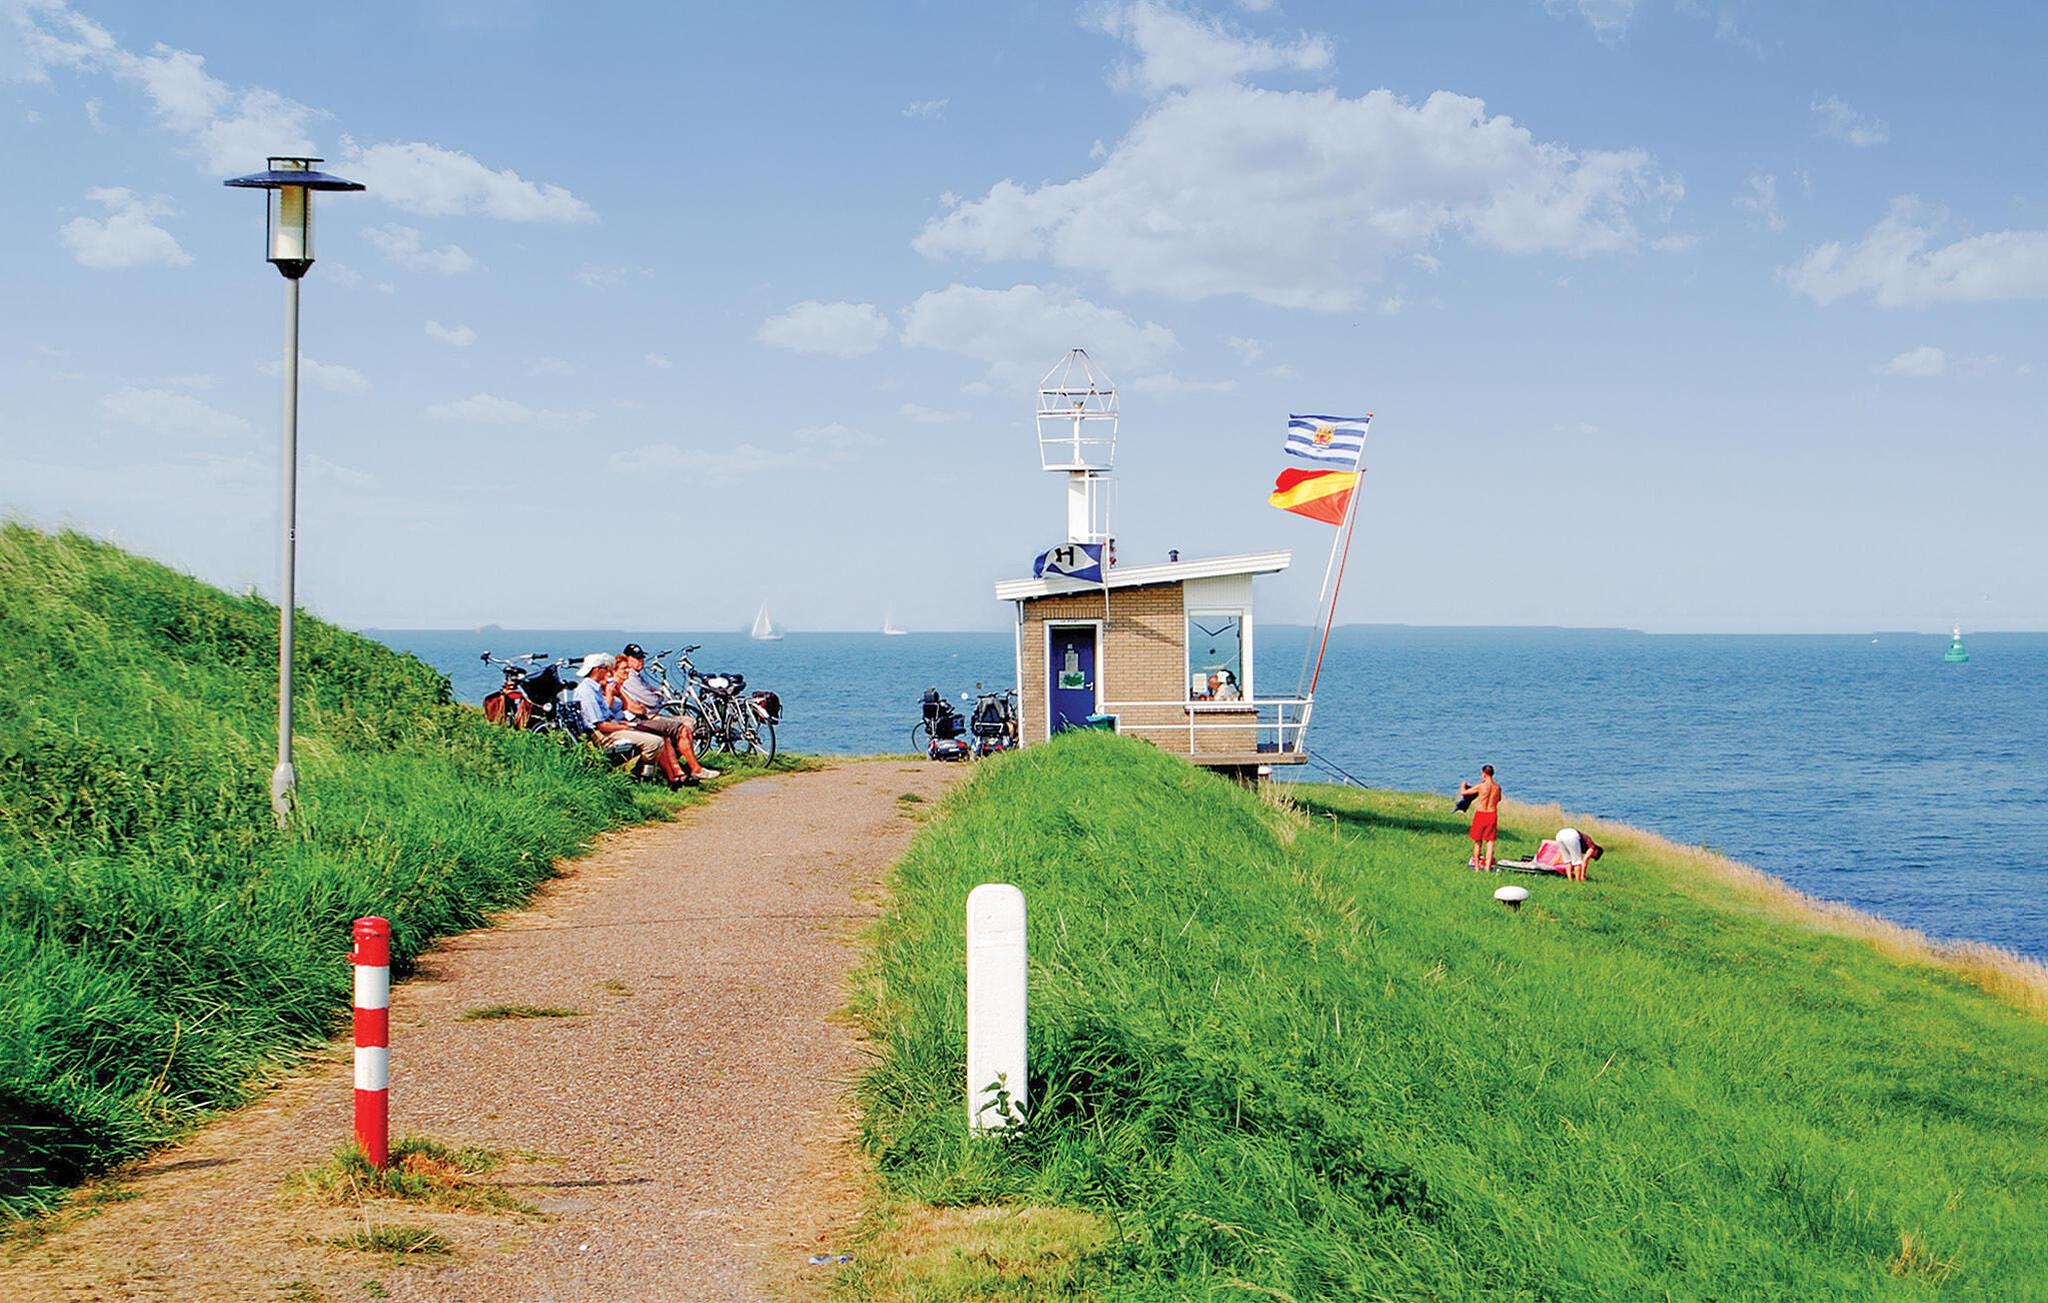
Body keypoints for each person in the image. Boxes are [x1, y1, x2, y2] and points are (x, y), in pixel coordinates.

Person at [570, 653, 690, 789]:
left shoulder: (593, 688)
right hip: (603, 734)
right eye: (606, 668)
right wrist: (624, 727)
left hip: (610, 727)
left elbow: (606, 717)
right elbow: (601, 725)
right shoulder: (588, 692)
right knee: (654, 742)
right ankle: (644, 778)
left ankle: (646, 776)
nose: (608, 672)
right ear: (597, 670)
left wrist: (619, 724)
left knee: (658, 739)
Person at [613, 643, 718, 782]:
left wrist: (653, 699)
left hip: (646, 717)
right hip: (639, 720)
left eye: (642, 657)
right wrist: (652, 701)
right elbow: (648, 702)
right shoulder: (628, 679)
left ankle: (677, 773)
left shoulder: (636, 676)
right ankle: (691, 770)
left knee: (684, 726)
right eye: (636, 658)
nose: (641, 661)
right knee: (680, 729)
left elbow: (653, 695)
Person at [1460, 764, 1502, 871]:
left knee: (1478, 841)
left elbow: (1464, 793)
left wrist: (1463, 785)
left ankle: (1477, 867)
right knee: (1490, 842)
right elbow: (1499, 799)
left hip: (1481, 814)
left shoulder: (1481, 786)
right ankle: (1487, 867)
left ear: (1484, 774)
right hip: (1492, 814)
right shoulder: (1497, 787)